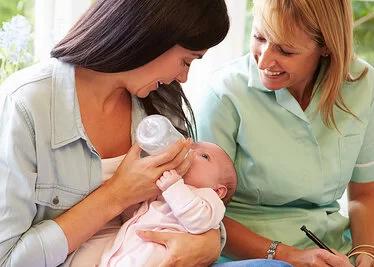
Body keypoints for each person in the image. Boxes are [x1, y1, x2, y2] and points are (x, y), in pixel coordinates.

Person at [0, 0, 231, 266]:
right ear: (153, 35)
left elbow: (196, 199)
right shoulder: (25, 106)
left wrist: (209, 243)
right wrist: (117, 194)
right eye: (186, 61)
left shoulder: (162, 102)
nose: (183, 77)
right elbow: (9, 259)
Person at [194, 0, 374, 266]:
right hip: (245, 256)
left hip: (333, 250)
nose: (264, 60)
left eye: (285, 50)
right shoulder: (223, 93)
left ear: (325, 46)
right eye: (259, 37)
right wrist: (290, 256)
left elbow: (365, 193)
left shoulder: (361, 84)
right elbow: (198, 211)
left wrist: (366, 254)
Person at [98, 141, 237, 267]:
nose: (189, 152)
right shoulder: (163, 191)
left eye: (205, 156)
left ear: (218, 190)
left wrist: (173, 186)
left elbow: (199, 222)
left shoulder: (208, 198)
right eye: (191, 147)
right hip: (128, 251)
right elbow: (135, 215)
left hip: (161, 255)